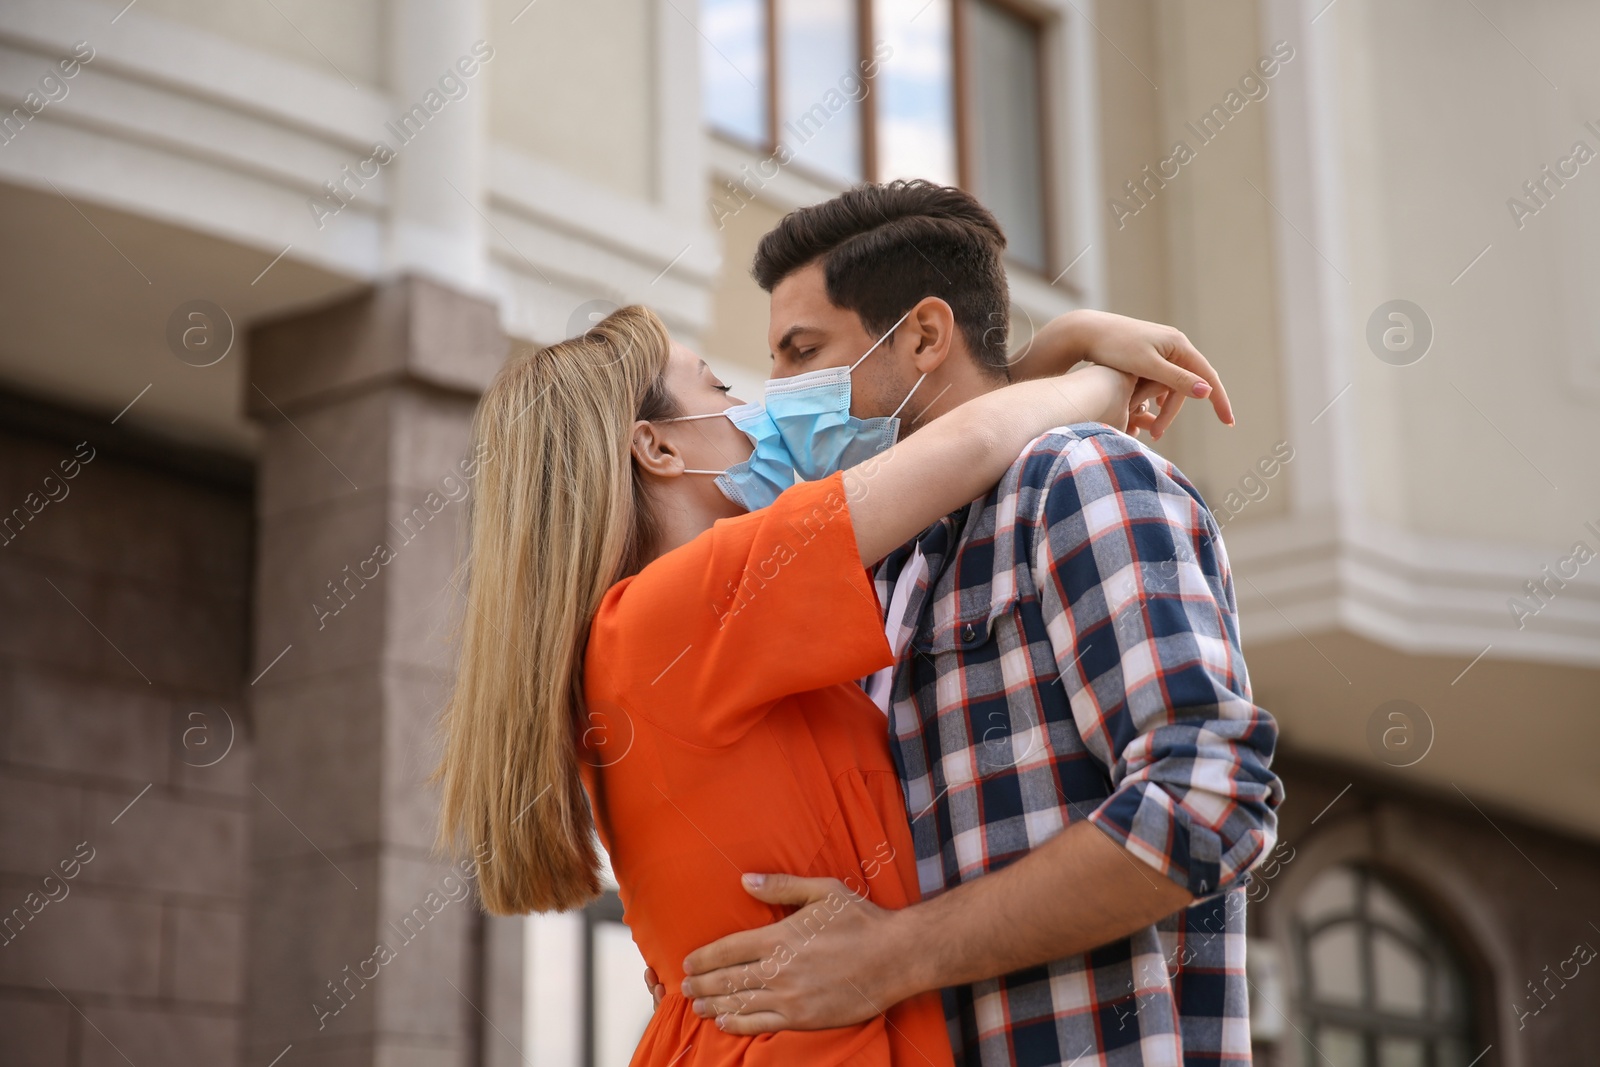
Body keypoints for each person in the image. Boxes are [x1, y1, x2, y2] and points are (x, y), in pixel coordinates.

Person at [433, 303, 1188, 1065]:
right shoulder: (682, 609)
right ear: (656, 446)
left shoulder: (690, 632)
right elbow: (972, 445)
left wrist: (1057, 344)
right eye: (718, 385)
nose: (751, 406)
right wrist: (1103, 377)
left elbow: (941, 460)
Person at [675, 181, 1285, 1066]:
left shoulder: (1081, 479)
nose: (777, 397)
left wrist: (895, 954)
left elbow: (1208, 798)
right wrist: (1071, 345)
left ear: (922, 335)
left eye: (800, 353)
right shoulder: (896, 566)